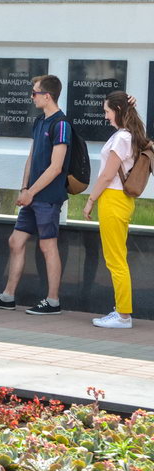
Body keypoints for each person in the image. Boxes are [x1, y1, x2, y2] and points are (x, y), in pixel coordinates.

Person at [0, 74, 70, 315]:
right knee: (16, 241)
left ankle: (53, 301)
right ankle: (8, 296)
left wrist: (31, 192)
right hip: (31, 195)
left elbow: (56, 167)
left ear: (47, 96)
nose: (32, 97)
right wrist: (24, 189)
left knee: (48, 246)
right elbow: (32, 157)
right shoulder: (40, 121)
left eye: (35, 93)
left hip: (48, 197)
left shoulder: (61, 124)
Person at [82, 91, 150, 329]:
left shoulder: (122, 137)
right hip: (119, 200)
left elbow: (107, 175)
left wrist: (90, 200)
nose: (105, 116)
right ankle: (121, 311)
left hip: (113, 199)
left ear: (118, 111)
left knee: (116, 260)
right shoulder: (129, 135)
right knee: (117, 258)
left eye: (107, 111)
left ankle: (123, 315)